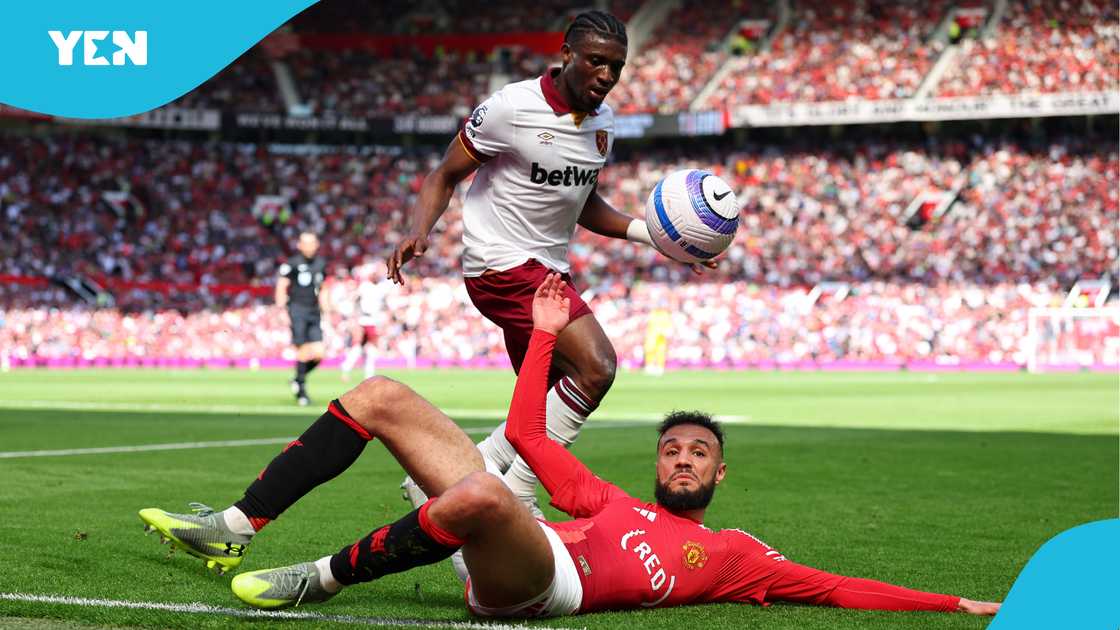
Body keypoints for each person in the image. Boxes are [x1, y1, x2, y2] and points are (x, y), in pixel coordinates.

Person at [138, 275, 1000, 618]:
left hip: (546, 587)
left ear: (720, 471)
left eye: (699, 452)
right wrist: (545, 334)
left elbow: (840, 590)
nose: (685, 459)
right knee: (380, 396)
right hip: (534, 539)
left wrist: (954, 606)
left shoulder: (736, 557)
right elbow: (521, 434)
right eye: (674, 450)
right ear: (657, 464)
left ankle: (315, 581)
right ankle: (239, 524)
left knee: (479, 498)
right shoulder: (605, 501)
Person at [385, 9, 713, 515]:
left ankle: (444, 481)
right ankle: (517, 490)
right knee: (597, 367)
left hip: (547, 273)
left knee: (538, 408)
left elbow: (583, 203)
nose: (607, 76)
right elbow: (443, 175)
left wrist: (658, 237)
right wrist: (418, 230)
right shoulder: (510, 108)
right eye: (597, 62)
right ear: (566, 56)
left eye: (617, 67)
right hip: (500, 267)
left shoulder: (602, 124)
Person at [275, 231, 328, 406]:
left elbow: (323, 287)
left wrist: (326, 308)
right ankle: (302, 394)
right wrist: (281, 310)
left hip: (314, 312)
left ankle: (298, 378)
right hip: (297, 310)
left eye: (312, 242)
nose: (309, 246)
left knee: (319, 353)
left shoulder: (321, 263)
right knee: (303, 351)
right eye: (306, 243)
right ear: (299, 245)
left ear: (317, 244)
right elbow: (282, 286)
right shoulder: (292, 263)